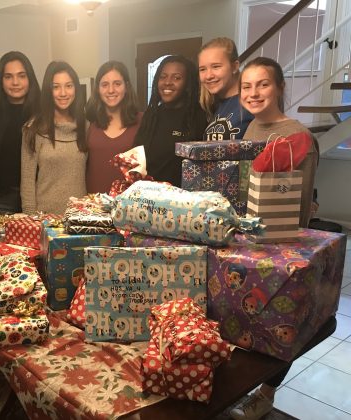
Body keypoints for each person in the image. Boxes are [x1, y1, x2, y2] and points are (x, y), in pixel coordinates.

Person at [230, 56, 319, 420]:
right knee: (248, 320)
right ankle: (243, 388)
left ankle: (266, 393)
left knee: (278, 324)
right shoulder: (251, 129)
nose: (253, 93)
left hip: (280, 249)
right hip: (247, 244)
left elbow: (299, 207)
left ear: (280, 87)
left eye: (263, 84)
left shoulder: (299, 136)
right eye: (247, 86)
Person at [20, 61, 87, 214]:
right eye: (56, 87)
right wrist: (31, 218)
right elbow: (27, 181)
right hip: (45, 218)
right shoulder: (33, 129)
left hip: (80, 217)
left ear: (76, 88)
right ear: (48, 91)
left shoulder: (85, 126)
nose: (63, 93)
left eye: (68, 86)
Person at [133, 55, 208, 186]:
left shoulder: (199, 117)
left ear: (187, 84)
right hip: (148, 194)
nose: (167, 82)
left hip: (183, 196)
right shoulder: (151, 115)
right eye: (163, 77)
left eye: (176, 78)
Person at [0, 51, 41, 217]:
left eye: (21, 76)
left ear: (30, 78)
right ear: (1, 81)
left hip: (38, 195)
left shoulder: (43, 113)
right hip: (2, 198)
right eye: (8, 77)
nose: (15, 82)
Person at [85, 60, 141, 193]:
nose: (111, 90)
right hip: (93, 201)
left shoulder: (142, 122)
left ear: (126, 86)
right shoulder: (89, 123)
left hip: (128, 202)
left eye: (117, 84)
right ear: (98, 89)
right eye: (105, 85)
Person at [198, 37, 254, 140]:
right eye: (202, 69)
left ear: (234, 67)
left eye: (216, 67)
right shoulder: (214, 105)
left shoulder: (251, 101)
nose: (208, 76)